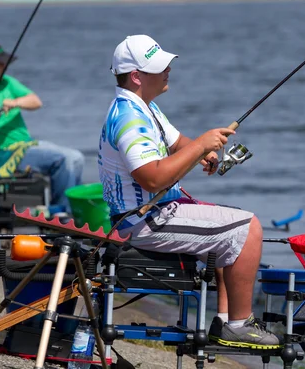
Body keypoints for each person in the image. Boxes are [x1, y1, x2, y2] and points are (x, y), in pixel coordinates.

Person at [98, 34, 281, 348]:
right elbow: (152, 179)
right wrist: (201, 144)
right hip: (144, 220)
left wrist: (202, 153)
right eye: (159, 66)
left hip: (153, 213)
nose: (168, 69)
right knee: (249, 229)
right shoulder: (130, 120)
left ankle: (223, 321)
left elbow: (176, 142)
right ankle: (240, 324)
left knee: (231, 223)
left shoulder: (145, 109)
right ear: (137, 76)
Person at [0, 41, 84, 211]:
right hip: (1, 156)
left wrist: (15, 102)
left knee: (77, 158)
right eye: (0, 64)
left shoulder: (7, 83)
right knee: (63, 159)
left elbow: (36, 102)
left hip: (26, 145)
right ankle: (60, 214)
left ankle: (75, 211)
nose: (5, 68)